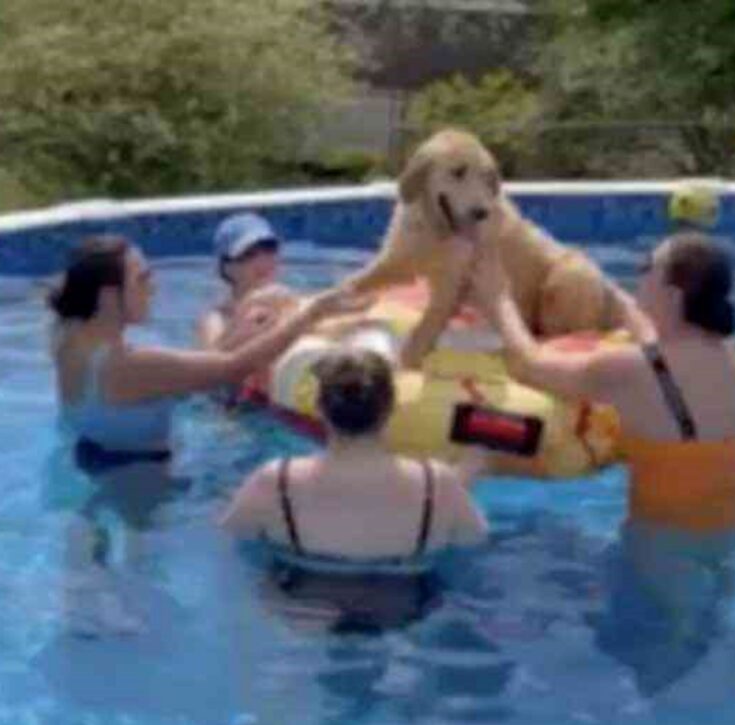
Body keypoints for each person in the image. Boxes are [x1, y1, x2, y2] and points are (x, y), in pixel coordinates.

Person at [470, 232, 735, 533]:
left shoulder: (630, 369)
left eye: (648, 266)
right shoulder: (729, 350)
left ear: (672, 296)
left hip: (667, 543)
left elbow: (531, 366)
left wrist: (497, 298)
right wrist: (607, 288)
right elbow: (653, 338)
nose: (639, 272)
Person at [49, 234, 367, 472]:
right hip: (139, 481)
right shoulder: (130, 366)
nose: (153, 287)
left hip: (88, 456)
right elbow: (233, 367)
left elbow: (198, 367)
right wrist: (310, 314)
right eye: (142, 278)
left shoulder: (66, 335)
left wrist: (240, 329)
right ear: (107, 296)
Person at [221, 349, 488, 561]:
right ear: (392, 408)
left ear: (319, 409)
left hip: (298, 612)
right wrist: (479, 435)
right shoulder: (438, 484)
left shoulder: (276, 481)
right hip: (404, 611)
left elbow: (233, 536)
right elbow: (473, 539)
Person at [197, 212, 303, 351]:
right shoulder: (216, 320)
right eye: (249, 254)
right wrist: (249, 307)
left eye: (269, 248)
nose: (262, 260)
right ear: (227, 268)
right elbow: (212, 362)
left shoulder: (293, 306)